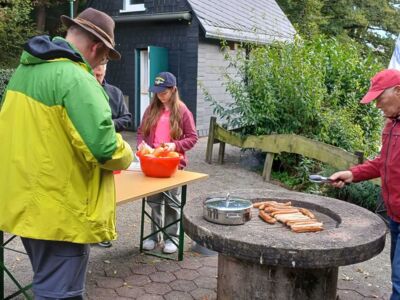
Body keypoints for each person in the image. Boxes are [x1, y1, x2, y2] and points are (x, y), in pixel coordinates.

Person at [0, 8, 133, 300]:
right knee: (59, 293)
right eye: (104, 57)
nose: (100, 65)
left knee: (50, 283)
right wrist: (128, 153)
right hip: (60, 211)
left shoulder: (25, 72)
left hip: (26, 205)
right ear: (96, 47)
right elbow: (104, 147)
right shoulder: (77, 79)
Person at [329, 69, 400, 300]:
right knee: (397, 277)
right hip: (395, 216)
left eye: (380, 97)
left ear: (398, 91)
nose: (377, 105)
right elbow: (383, 163)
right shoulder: (391, 124)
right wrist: (351, 174)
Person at [137, 72, 198, 254]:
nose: (160, 95)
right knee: (154, 201)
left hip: (173, 165)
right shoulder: (151, 109)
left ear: (173, 90)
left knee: (171, 202)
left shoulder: (182, 110)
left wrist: (174, 145)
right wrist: (142, 144)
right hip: (153, 163)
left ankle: (172, 237)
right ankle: (154, 236)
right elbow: (141, 131)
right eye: (157, 92)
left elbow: (193, 137)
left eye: (164, 92)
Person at [93, 63, 132, 248]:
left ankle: (104, 233)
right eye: (96, 64)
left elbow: (127, 118)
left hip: (111, 149)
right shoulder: (82, 91)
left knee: (109, 195)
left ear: (107, 67)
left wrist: (107, 126)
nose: (98, 68)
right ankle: (92, 233)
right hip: (89, 152)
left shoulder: (115, 92)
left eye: (102, 64)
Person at [93, 63, 132, 132]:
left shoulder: (116, 93)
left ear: (104, 72)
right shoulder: (81, 90)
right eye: (92, 75)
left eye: (99, 75)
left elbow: (126, 119)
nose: (95, 79)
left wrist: (112, 124)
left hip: (111, 138)